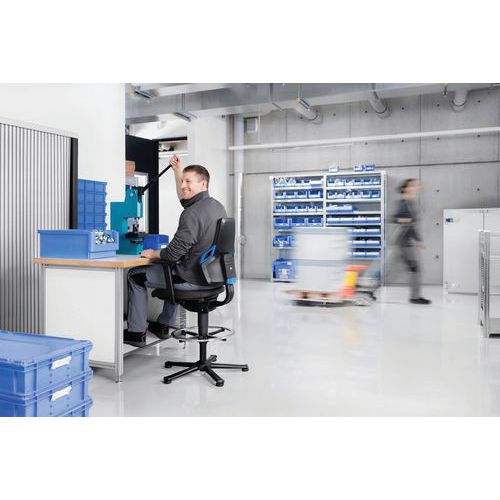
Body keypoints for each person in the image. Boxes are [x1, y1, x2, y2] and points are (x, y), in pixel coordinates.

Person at [124, 154, 227, 347]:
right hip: (214, 277)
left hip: (193, 280)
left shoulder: (191, 213)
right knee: (174, 267)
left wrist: (153, 253)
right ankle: (164, 323)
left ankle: (136, 332)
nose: (183, 186)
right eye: (182, 181)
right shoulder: (216, 207)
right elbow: (185, 198)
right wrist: (178, 171)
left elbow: (172, 254)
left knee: (135, 275)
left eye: (188, 182)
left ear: (203, 184)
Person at [394, 178, 431, 305]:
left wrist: (418, 240)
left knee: (402, 270)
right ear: (405, 189)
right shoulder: (402, 203)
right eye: (412, 186)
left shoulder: (411, 203)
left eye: (416, 186)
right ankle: (415, 297)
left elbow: (412, 225)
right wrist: (402, 220)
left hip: (407, 242)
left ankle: (415, 296)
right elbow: (393, 218)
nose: (415, 188)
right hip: (403, 242)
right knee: (414, 269)